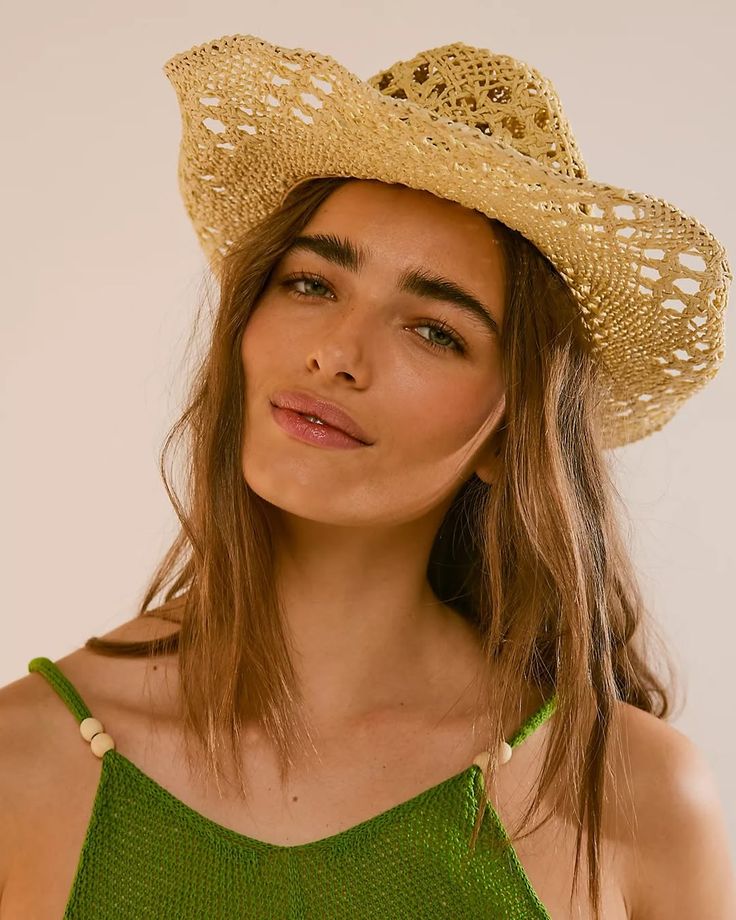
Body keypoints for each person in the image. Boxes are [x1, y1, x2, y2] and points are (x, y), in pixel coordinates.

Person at [1, 33, 734, 920]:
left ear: (510, 436)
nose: (337, 354)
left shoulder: (629, 798)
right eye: (312, 284)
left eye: (434, 332)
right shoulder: (22, 763)